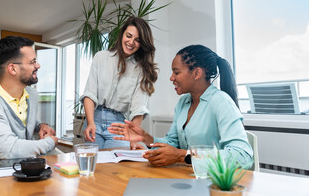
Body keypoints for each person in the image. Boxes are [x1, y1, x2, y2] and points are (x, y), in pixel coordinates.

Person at [108, 44, 253, 168]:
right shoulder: (183, 103)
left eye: (176, 72)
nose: (171, 78)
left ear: (197, 73)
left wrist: (183, 156)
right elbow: (173, 143)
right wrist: (146, 138)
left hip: (216, 184)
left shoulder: (221, 102)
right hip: (188, 179)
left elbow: (242, 156)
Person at [0, 36, 58, 161]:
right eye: (32, 62)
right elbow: (10, 151)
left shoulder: (31, 94)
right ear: (13, 69)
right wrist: (50, 142)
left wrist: (40, 125)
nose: (38, 65)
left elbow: (25, 122)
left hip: (28, 169)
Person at [80, 16, 158, 149]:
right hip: (95, 119)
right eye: (129, 36)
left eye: (137, 40)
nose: (131, 42)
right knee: (94, 166)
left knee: (115, 167)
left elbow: (138, 108)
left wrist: (132, 136)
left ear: (142, 44)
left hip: (119, 126)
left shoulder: (141, 70)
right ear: (122, 34)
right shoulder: (101, 57)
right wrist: (90, 123)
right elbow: (89, 93)